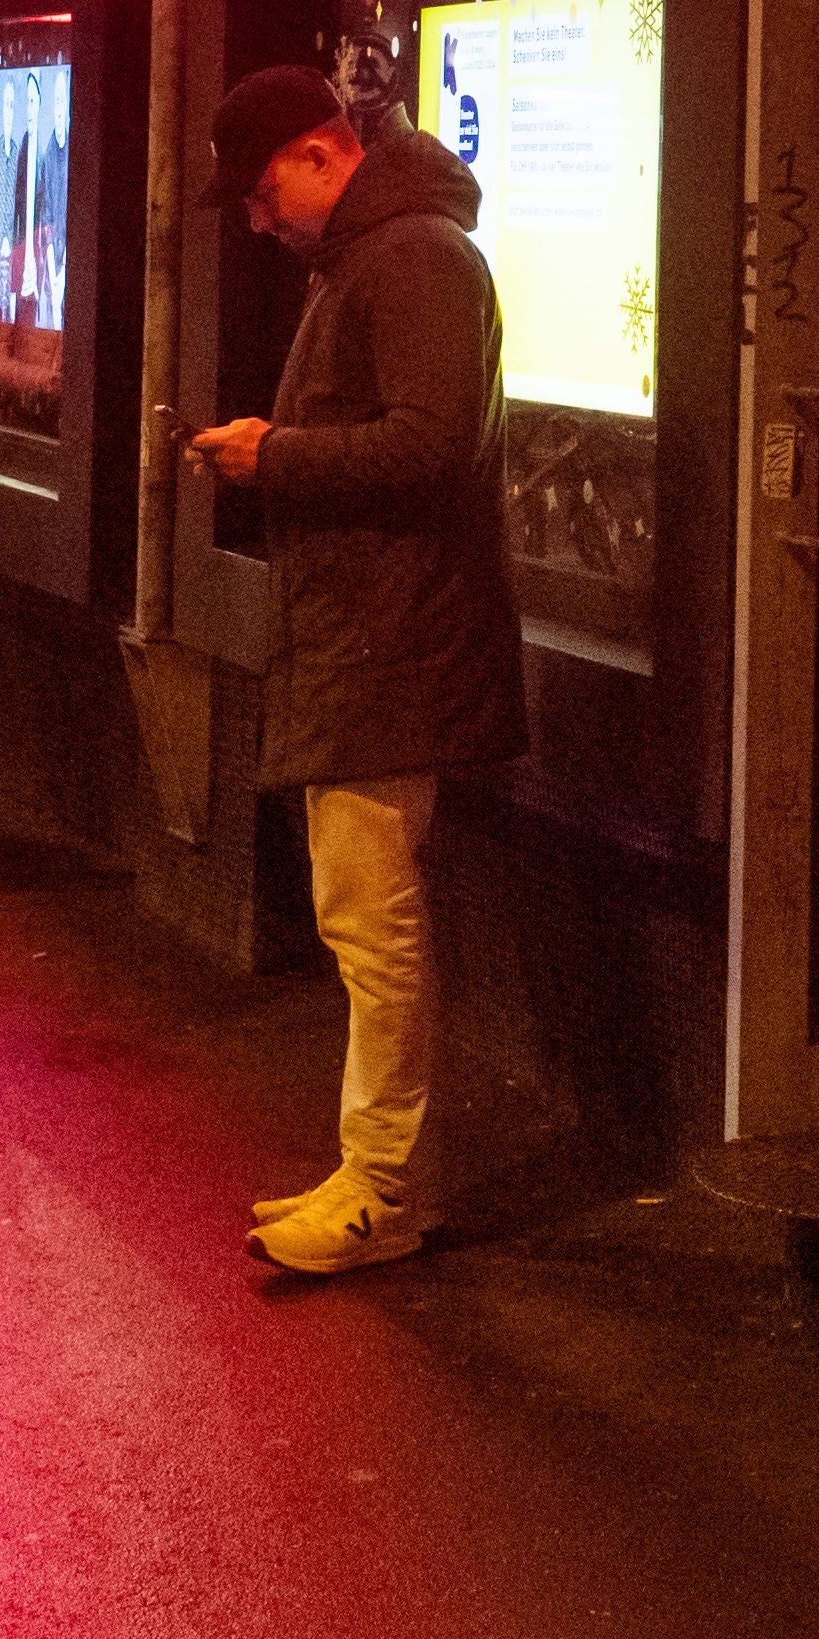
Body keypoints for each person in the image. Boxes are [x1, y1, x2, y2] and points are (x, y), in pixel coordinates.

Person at [185, 64, 526, 1279]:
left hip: (393, 644)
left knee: (373, 927)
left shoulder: (415, 257)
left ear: (322, 154)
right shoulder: (386, 255)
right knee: (363, 920)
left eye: (264, 190)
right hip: (371, 639)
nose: (257, 219)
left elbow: (430, 449)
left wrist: (274, 457)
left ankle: (386, 1189)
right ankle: (373, 1174)